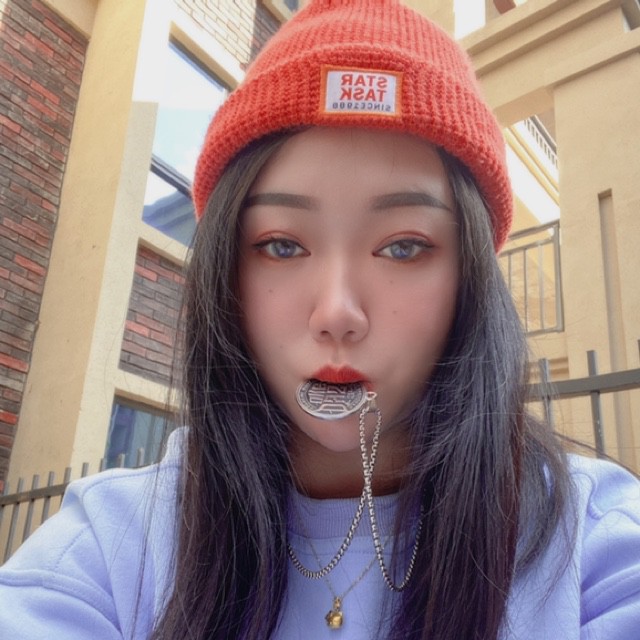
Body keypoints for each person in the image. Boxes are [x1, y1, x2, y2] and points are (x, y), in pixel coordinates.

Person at [1, 0, 639, 638]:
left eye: (403, 247)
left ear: (469, 276)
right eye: (282, 245)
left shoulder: (595, 543)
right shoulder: (113, 545)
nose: (337, 313)